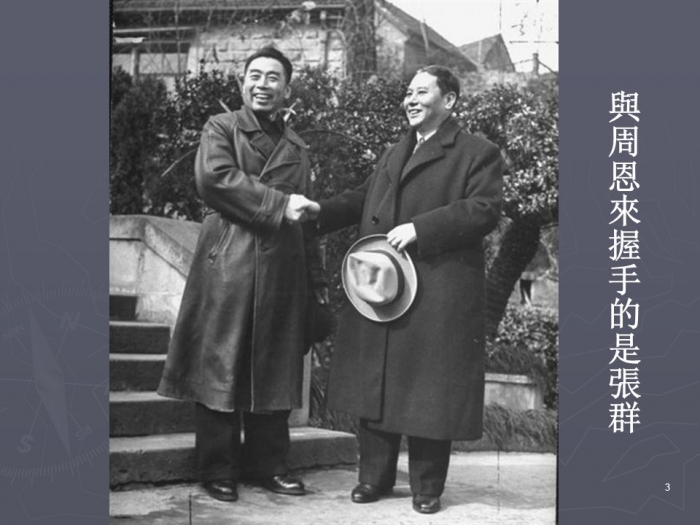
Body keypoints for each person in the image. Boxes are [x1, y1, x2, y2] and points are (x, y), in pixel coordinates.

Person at [309, 65, 503, 514]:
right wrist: (319, 212)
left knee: (428, 387)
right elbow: (364, 198)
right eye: (408, 93)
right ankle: (373, 478)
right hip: (384, 283)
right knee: (378, 378)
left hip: (438, 288)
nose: (410, 100)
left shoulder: (477, 152)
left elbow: (484, 209)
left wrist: (421, 227)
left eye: (421, 92)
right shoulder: (395, 150)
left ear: (449, 100)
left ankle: (427, 487)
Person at [157, 46, 326, 503]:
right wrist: (279, 204)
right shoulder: (222, 127)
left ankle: (269, 465)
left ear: (286, 89)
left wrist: (317, 282)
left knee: (275, 365)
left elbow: (308, 223)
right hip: (229, 263)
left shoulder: (298, 147)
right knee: (221, 361)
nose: (262, 84)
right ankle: (218, 468)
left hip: (284, 270)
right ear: (242, 83)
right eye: (255, 75)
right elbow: (214, 179)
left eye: (273, 77)